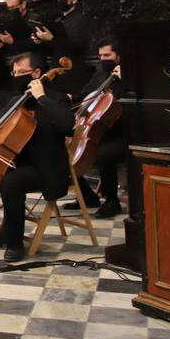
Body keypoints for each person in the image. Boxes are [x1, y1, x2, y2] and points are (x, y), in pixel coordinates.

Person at [0, 52, 72, 262]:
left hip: (49, 169)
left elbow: (67, 125)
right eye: (14, 72)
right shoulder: (18, 99)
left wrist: (42, 97)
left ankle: (14, 243)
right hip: (19, 162)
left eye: (22, 72)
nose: (16, 76)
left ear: (37, 73)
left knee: (11, 183)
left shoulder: (56, 98)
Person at [66, 39, 127, 218]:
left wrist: (124, 80)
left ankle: (111, 201)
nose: (102, 59)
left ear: (119, 56)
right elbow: (88, 93)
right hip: (102, 130)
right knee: (65, 146)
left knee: (103, 153)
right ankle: (86, 195)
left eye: (107, 55)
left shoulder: (130, 74)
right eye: (100, 55)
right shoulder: (102, 72)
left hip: (123, 131)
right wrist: (71, 97)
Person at [33, 0, 91, 97]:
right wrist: (41, 41)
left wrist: (52, 39)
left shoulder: (80, 19)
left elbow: (79, 45)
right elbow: (54, 47)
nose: (61, 0)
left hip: (73, 70)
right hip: (58, 69)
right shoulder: (59, 19)